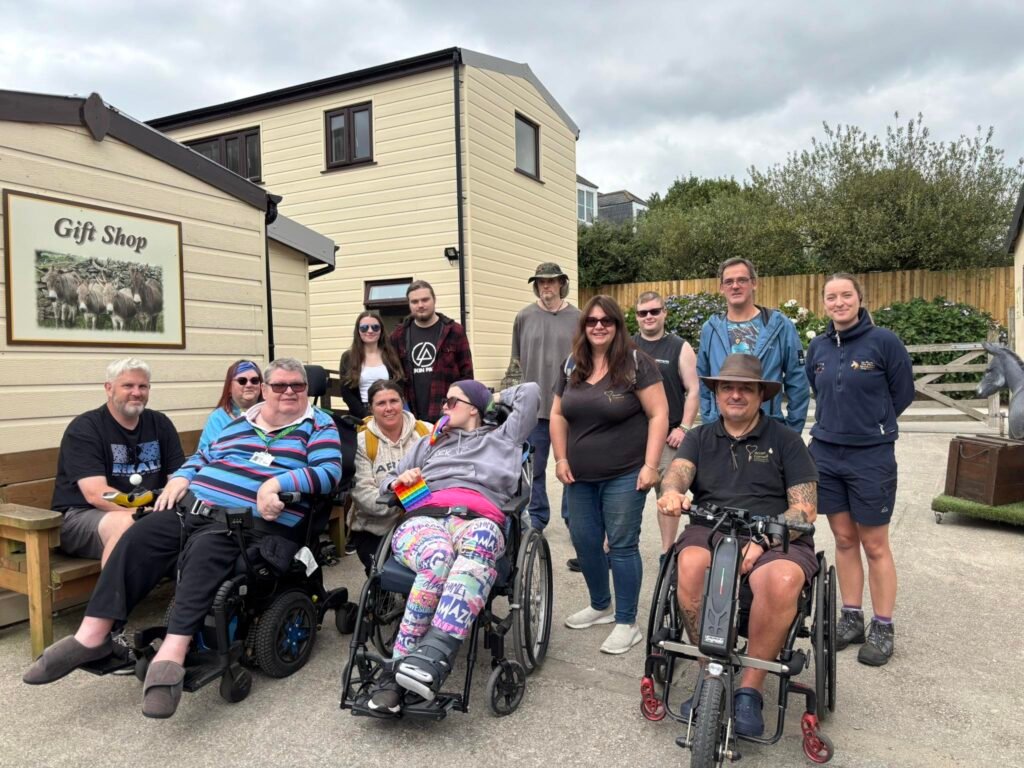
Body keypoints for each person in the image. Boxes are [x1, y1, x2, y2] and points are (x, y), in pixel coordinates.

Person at [23, 358, 343, 719]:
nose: (289, 392)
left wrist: (276, 483)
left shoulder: (318, 424)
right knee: (139, 534)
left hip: (249, 525)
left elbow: (328, 472)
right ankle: (92, 636)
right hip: (193, 508)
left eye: (297, 385)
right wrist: (181, 478)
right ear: (265, 390)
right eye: (280, 385)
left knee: (207, 548)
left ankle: (172, 654)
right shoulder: (240, 423)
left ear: (306, 389)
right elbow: (203, 457)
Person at [658, 353, 819, 738]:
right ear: (716, 393)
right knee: (691, 564)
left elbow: (805, 509)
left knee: (781, 579)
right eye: (727, 387)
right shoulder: (699, 438)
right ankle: (709, 672)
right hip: (711, 527)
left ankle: (750, 689)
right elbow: (677, 475)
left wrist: (763, 541)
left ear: (761, 395)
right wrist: (672, 493)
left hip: (776, 534)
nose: (735, 394)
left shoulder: (786, 440)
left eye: (745, 388)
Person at [365, 380, 540, 716]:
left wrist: (491, 397)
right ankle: (405, 666)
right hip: (426, 518)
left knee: (482, 539)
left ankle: (427, 657)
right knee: (438, 557)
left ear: (474, 408)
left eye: (452, 402)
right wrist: (399, 481)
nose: (443, 408)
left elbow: (531, 391)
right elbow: (387, 483)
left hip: (478, 519)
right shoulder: (430, 442)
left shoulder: (504, 438)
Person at [806, 274, 914, 667]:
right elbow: (817, 387)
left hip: (871, 456)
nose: (839, 302)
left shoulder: (884, 342)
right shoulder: (817, 346)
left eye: (846, 295)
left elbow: (903, 392)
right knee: (844, 537)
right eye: (831, 297)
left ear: (859, 298)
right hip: (827, 453)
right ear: (824, 303)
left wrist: (873, 425)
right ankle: (851, 617)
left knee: (874, 543)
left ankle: (883, 626)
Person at [551, 296, 668, 655]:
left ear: (617, 325)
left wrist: (651, 465)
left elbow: (659, 414)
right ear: (583, 326)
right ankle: (600, 605)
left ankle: (627, 622)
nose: (599, 326)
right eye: (592, 321)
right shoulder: (573, 364)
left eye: (607, 321)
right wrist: (560, 457)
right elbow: (558, 414)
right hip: (579, 476)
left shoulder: (637, 363)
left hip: (625, 473)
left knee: (621, 544)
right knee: (585, 541)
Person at [50, 358, 185, 566]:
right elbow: (97, 494)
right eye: (128, 386)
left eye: (143, 386)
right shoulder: (85, 428)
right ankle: (112, 589)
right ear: (109, 388)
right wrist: (143, 513)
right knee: (130, 526)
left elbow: (177, 479)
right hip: (82, 516)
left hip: (147, 513)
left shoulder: (160, 424)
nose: (136, 393)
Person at [507, 262, 580, 531]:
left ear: (561, 283)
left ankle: (574, 518)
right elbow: (515, 365)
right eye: (540, 281)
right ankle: (537, 517)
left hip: (570, 408)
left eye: (551, 280)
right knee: (533, 469)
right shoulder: (523, 317)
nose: (546, 285)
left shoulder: (579, 318)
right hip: (534, 409)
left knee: (571, 467)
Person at [697, 258, 809, 432]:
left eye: (742, 280)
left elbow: (797, 381)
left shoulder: (780, 326)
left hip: (767, 429)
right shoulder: (710, 329)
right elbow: (703, 382)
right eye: (729, 282)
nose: (735, 286)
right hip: (721, 430)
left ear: (754, 283)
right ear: (721, 288)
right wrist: (709, 423)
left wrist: (792, 432)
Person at [632, 291, 699, 558]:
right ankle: (614, 549)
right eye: (643, 313)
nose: (649, 316)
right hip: (633, 436)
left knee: (668, 496)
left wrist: (684, 428)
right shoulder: (626, 346)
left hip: (669, 436)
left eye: (654, 311)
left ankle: (667, 554)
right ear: (636, 317)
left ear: (664, 313)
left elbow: (693, 390)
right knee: (624, 497)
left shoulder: (679, 347)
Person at [349, 380, 431, 574]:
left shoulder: (426, 432)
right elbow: (364, 496)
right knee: (385, 577)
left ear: (403, 402)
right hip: (376, 530)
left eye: (393, 401)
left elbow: (441, 478)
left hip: (425, 524)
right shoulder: (362, 442)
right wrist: (407, 498)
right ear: (371, 408)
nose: (388, 408)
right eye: (381, 403)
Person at [390, 279, 473, 422]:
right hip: (411, 417)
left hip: (447, 415)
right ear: (409, 304)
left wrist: (459, 407)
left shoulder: (454, 331)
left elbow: (467, 376)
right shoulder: (398, 335)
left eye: (425, 300)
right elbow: (394, 376)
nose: (420, 305)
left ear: (434, 300)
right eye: (414, 302)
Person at [338, 310, 404, 419]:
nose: (370, 331)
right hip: (361, 413)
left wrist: (391, 408)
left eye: (375, 327)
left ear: (381, 330)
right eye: (364, 328)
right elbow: (347, 394)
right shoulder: (348, 357)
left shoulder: (391, 355)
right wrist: (366, 416)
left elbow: (399, 383)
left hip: (389, 410)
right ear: (358, 331)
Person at [197, 360, 263, 452]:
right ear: (229, 387)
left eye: (254, 380)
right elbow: (205, 453)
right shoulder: (218, 418)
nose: (249, 385)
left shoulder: (271, 414)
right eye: (242, 381)